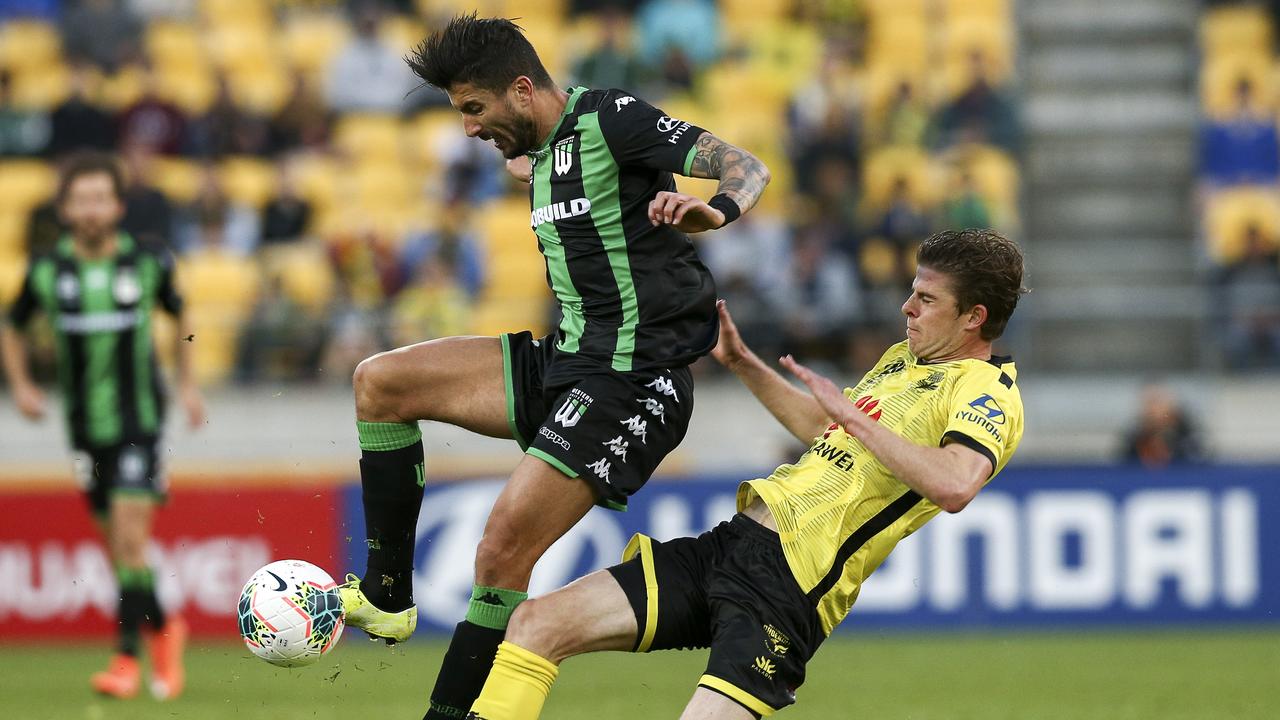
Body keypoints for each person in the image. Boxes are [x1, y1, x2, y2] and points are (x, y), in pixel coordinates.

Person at [335, 13, 771, 720]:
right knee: (380, 382)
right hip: (567, 361)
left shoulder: (613, 118)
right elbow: (551, 171)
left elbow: (748, 166)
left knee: (502, 548)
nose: (469, 128)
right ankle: (388, 597)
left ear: (521, 89)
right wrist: (523, 159)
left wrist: (713, 211)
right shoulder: (539, 150)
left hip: (635, 379)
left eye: (476, 110)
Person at [461, 228, 1027, 720]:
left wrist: (852, 415)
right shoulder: (902, 362)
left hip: (789, 587)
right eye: (912, 293)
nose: (907, 307)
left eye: (926, 299)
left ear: (973, 317)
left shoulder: (986, 391)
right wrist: (742, 364)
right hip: (733, 545)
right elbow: (825, 429)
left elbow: (955, 484)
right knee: (536, 625)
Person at [0, 152, 205, 700]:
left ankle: (123, 660)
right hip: (84, 428)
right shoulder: (46, 271)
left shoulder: (148, 262)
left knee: (132, 541)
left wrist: (187, 383)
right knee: (119, 548)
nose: (91, 209)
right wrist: (20, 384)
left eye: (100, 198)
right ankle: (166, 628)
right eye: (80, 199)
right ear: (65, 209)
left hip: (140, 421)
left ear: (117, 205)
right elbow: (12, 327)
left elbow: (182, 315)